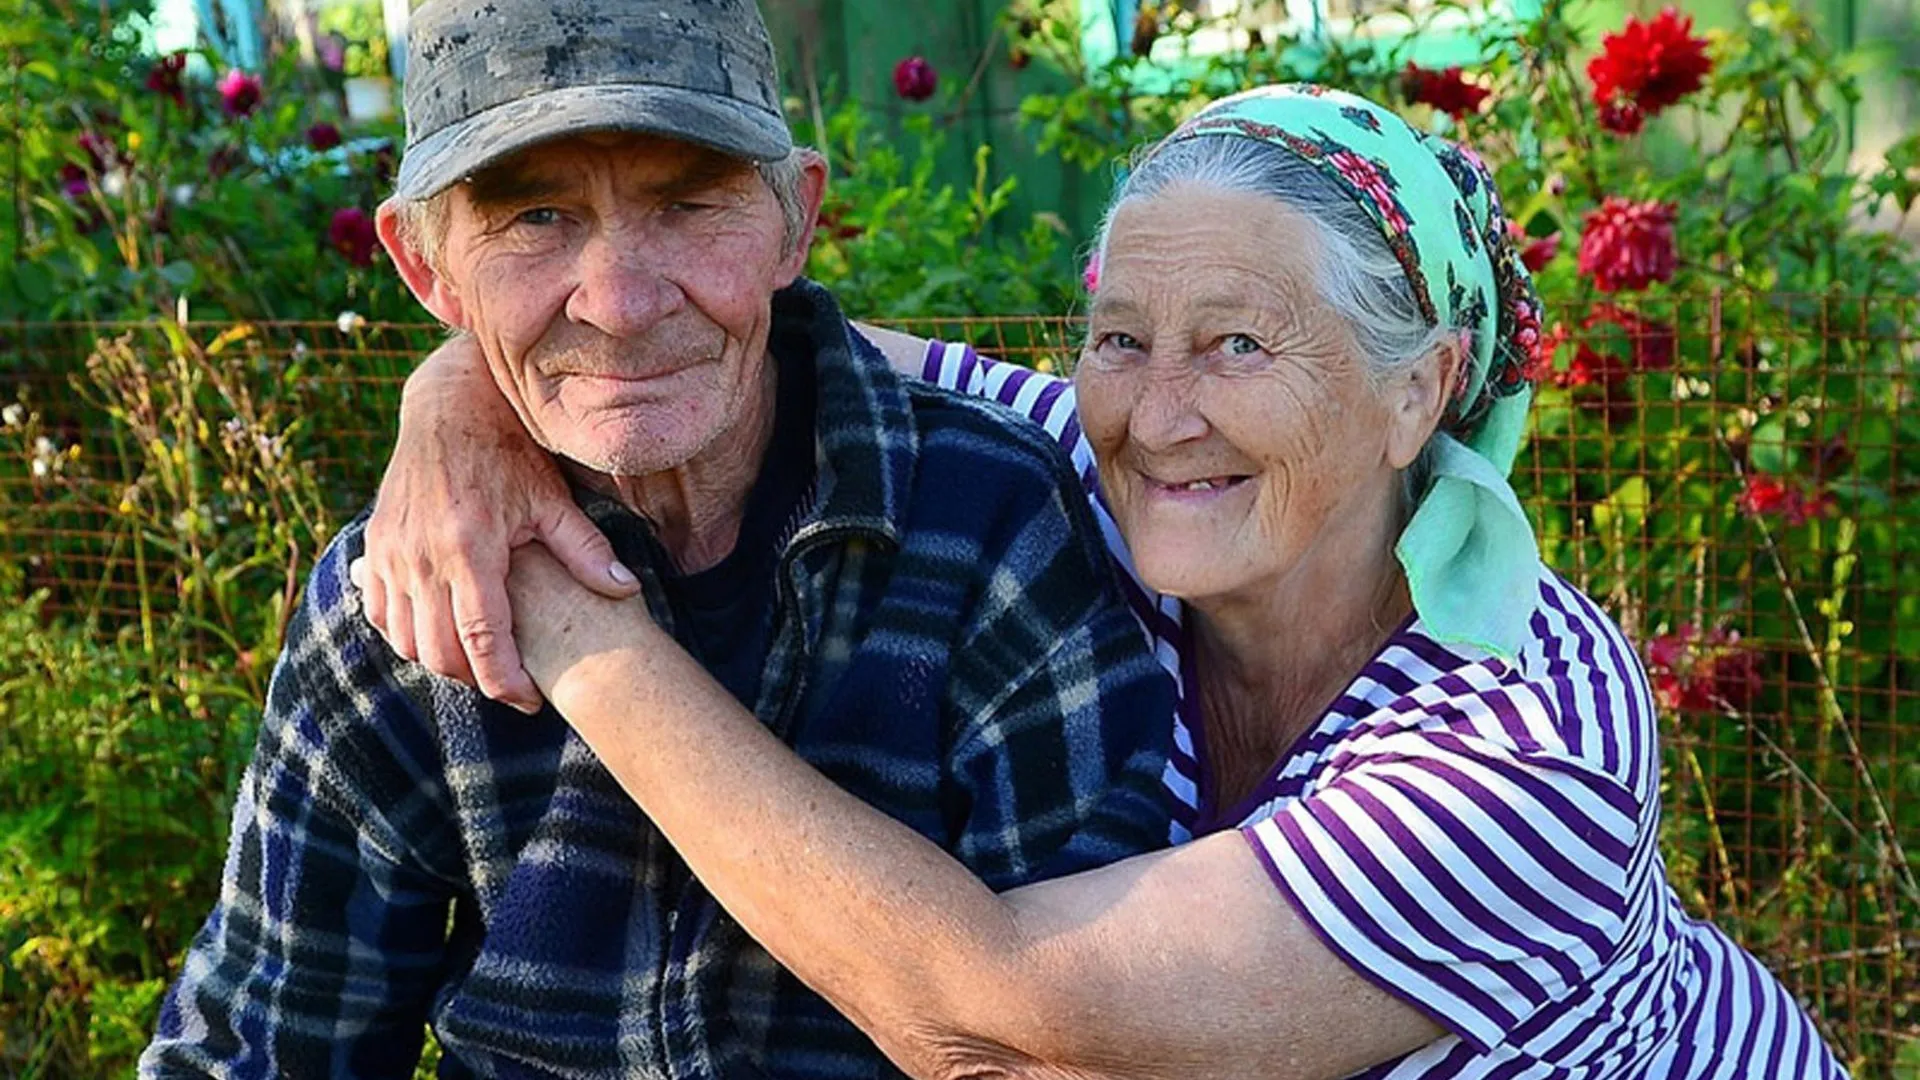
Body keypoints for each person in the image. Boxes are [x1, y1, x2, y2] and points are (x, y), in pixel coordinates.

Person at [359, 85, 1850, 1078]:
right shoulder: (1118, 465)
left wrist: (569, 628)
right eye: (1122, 334)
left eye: (1240, 345)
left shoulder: (1524, 754)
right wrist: (458, 405)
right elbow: (674, 344)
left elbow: (982, 1013)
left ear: (1423, 391)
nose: (1159, 409)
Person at [137, 0, 1179, 1075]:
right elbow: (262, 1039)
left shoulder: (990, 517)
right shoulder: (402, 593)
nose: (622, 304)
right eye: (535, 218)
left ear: (795, 219)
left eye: (687, 203)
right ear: (426, 267)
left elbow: (1076, 1034)